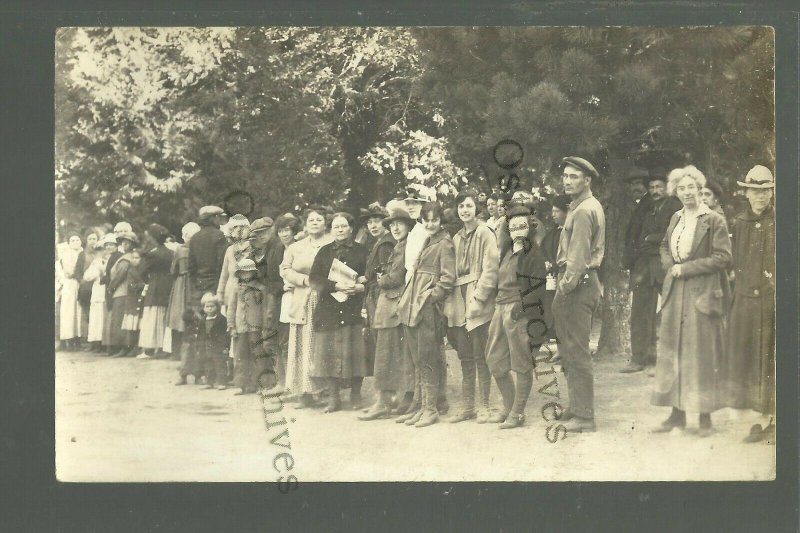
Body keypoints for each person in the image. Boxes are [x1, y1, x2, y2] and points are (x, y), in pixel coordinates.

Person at [651, 165, 732, 437]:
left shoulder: (714, 220)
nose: (687, 192)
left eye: (691, 187)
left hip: (703, 293)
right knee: (674, 352)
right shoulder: (675, 217)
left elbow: (723, 258)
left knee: (701, 354)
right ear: (676, 192)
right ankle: (677, 414)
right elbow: (664, 245)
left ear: (700, 189)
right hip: (675, 291)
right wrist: (670, 266)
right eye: (681, 188)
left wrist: (686, 268)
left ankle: (705, 418)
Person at [551, 156, 606, 433]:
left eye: (574, 177)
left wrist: (564, 287)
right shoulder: (579, 207)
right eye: (565, 176)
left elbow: (578, 257)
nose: (568, 180)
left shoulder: (585, 210)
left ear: (587, 180)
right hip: (578, 283)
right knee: (569, 350)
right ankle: (576, 405)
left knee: (577, 351)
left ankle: (586, 416)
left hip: (578, 285)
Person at [722, 165, 775, 443]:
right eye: (755, 191)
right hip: (744, 300)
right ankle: (758, 418)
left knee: (770, 358)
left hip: (771, 301)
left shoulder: (778, 221)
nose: (760, 197)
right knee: (747, 360)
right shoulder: (740, 223)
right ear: (747, 193)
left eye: (765, 191)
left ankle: (776, 418)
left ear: (772, 193)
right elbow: (735, 262)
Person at [485, 203, 549, 428]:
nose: (518, 231)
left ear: (529, 228)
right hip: (499, 309)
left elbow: (537, 289)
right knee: (494, 360)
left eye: (522, 226)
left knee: (521, 363)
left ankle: (517, 413)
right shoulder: (505, 251)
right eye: (513, 227)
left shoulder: (534, 254)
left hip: (518, 312)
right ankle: (510, 406)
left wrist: (519, 310)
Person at [396, 201, 456, 428]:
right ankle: (421, 407)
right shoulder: (428, 240)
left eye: (435, 219)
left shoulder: (445, 242)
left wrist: (428, 299)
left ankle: (431, 409)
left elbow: (448, 279)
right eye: (426, 219)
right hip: (414, 306)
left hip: (427, 308)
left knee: (428, 356)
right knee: (418, 357)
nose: (430, 224)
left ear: (441, 220)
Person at [443, 189, 499, 424]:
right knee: (464, 355)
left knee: (480, 354)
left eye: (469, 206)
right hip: (458, 297)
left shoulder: (486, 232)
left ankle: (484, 405)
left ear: (477, 208)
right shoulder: (456, 238)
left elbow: (491, 269)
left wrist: (479, 298)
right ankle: (468, 406)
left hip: (477, 297)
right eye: (461, 207)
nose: (465, 210)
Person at [621, 173, 682, 374]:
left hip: (664, 263)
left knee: (671, 312)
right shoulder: (645, 206)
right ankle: (639, 358)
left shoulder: (675, 206)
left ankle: (669, 360)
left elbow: (672, 234)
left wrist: (651, 239)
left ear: (667, 187)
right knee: (640, 311)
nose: (655, 191)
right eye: (652, 187)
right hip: (643, 265)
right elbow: (636, 234)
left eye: (659, 187)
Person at [359, 202, 415, 421]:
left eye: (400, 224)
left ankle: (385, 401)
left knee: (387, 353)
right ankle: (386, 399)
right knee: (386, 352)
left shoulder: (403, 246)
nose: (396, 229)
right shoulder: (399, 244)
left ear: (407, 226)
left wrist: (379, 279)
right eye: (393, 225)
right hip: (389, 303)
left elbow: (394, 277)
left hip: (393, 303)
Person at [308, 212, 369, 412]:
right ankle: (333, 398)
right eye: (336, 227)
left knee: (355, 353)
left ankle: (356, 395)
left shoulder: (362, 251)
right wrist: (335, 286)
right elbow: (314, 279)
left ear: (351, 229)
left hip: (352, 308)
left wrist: (362, 282)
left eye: (344, 226)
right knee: (328, 353)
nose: (340, 230)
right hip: (329, 309)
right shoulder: (325, 252)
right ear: (331, 229)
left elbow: (369, 275)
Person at [281, 208, 332, 407]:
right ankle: (303, 393)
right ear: (305, 224)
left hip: (326, 297)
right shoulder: (295, 247)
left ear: (325, 224)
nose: (315, 223)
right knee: (301, 346)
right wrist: (304, 280)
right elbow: (284, 269)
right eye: (311, 220)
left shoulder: (331, 244)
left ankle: (324, 392)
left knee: (321, 344)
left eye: (319, 220)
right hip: (302, 299)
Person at [263, 214, 301, 395]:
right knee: (273, 339)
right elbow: (269, 278)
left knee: (291, 342)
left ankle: (295, 385)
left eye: (288, 230)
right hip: (278, 299)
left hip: (298, 298)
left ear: (294, 231)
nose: (285, 234)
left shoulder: (301, 248)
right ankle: (282, 382)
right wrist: (281, 286)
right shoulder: (275, 250)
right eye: (281, 230)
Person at [357, 204, 393, 396]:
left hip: (381, 296)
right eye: (369, 222)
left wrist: (368, 278)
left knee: (383, 345)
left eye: (377, 221)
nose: (373, 225)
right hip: (374, 295)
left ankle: (387, 395)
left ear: (385, 222)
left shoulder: (386, 244)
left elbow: (385, 274)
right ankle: (386, 394)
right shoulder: (377, 243)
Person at [227, 258, 273, 395]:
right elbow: (231, 308)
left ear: (254, 273)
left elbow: (265, 310)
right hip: (241, 327)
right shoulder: (236, 289)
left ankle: (262, 385)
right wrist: (231, 326)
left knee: (258, 355)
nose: (245, 275)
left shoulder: (261, 289)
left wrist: (266, 326)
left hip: (256, 328)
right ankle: (242, 384)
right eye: (243, 273)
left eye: (248, 272)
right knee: (241, 355)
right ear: (239, 274)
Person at [135, 224, 174, 358]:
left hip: (155, 287)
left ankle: (149, 349)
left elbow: (141, 272)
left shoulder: (153, 254)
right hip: (168, 287)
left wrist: (148, 280)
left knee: (152, 317)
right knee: (163, 316)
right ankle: (163, 348)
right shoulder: (171, 253)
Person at [164, 222, 201, 356]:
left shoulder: (179, 249)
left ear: (184, 236)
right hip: (194, 282)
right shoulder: (199, 249)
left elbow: (173, 269)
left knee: (177, 315)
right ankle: (192, 352)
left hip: (181, 282)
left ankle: (176, 352)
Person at [541, 195, 571, 359]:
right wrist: (545, 262)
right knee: (555, 312)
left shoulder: (570, 231)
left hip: (566, 276)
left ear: (566, 212)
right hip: (552, 277)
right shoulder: (553, 232)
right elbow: (544, 250)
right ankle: (560, 349)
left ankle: (567, 351)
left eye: (557, 211)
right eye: (552, 211)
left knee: (565, 313)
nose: (553, 214)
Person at [188, 205, 228, 312]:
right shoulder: (219, 235)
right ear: (213, 218)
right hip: (215, 284)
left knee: (201, 319)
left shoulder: (194, 238)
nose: (220, 220)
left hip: (198, 285)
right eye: (219, 217)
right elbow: (222, 263)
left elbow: (191, 267)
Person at [105, 232, 138, 357]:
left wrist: (111, 287)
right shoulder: (124, 256)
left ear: (132, 244)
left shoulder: (127, 258)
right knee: (119, 320)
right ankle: (121, 347)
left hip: (122, 291)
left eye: (127, 242)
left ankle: (123, 347)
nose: (124, 244)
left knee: (120, 320)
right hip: (121, 292)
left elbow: (120, 274)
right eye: (123, 241)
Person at [82, 234, 116, 352]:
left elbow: (109, 275)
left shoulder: (109, 261)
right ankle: (95, 343)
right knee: (95, 319)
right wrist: (97, 270)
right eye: (100, 250)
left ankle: (103, 343)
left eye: (103, 249)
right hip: (96, 292)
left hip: (105, 292)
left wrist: (102, 271)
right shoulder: (96, 262)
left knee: (103, 318)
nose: (102, 252)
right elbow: (87, 276)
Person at [58, 232, 87, 351]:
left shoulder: (83, 254)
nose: (75, 242)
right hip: (69, 285)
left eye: (77, 240)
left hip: (79, 283)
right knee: (67, 312)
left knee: (78, 311)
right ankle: (67, 339)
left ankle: (77, 339)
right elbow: (63, 271)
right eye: (72, 240)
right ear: (69, 243)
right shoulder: (65, 255)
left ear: (81, 242)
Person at [196, 294, 230, 390]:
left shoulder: (221, 319)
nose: (209, 309)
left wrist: (225, 347)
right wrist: (199, 347)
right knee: (208, 363)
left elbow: (225, 335)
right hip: (207, 345)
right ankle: (209, 382)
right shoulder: (203, 320)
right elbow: (200, 334)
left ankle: (222, 382)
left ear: (217, 307)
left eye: (212, 306)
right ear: (203, 308)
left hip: (218, 345)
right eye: (207, 307)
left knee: (220, 364)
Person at [119, 248, 145, 357]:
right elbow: (131, 286)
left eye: (137, 258)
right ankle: (131, 347)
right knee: (132, 324)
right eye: (133, 258)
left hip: (142, 300)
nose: (134, 260)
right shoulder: (131, 270)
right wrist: (143, 285)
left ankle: (138, 347)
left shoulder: (144, 270)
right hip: (133, 299)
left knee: (139, 324)